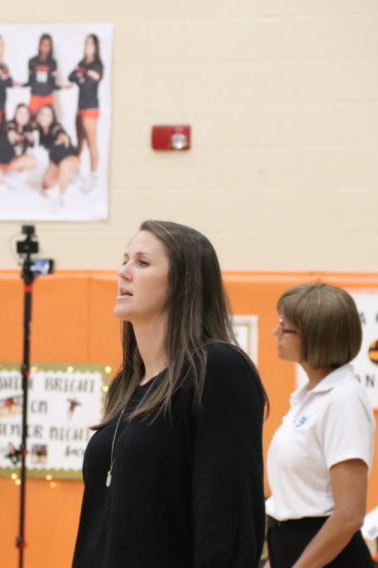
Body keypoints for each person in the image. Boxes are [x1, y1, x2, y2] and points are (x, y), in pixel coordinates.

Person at [72, 220, 267, 568]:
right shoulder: (127, 383)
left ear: (183, 285)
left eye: (142, 263)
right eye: (125, 260)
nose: (124, 272)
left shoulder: (218, 370)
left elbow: (228, 521)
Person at [266, 283, 375, 568]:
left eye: (284, 328)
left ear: (315, 337)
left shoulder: (344, 399)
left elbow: (349, 515)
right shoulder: (309, 399)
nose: (275, 333)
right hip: (292, 546)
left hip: (327, 556)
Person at [68, 34, 105, 192]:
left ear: (96, 47)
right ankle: (77, 171)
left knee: (91, 144)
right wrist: (80, 77)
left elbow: (87, 85)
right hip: (80, 107)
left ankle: (93, 176)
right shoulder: (82, 63)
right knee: (79, 142)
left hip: (90, 108)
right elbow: (71, 77)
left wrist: (80, 77)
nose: (87, 46)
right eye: (86, 43)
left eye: (91, 43)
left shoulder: (97, 65)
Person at [36, 104, 80, 212]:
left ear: (52, 117)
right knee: (46, 185)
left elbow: (60, 132)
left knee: (65, 166)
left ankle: (61, 197)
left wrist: (63, 137)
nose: (45, 117)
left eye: (48, 115)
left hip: (70, 157)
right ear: (39, 116)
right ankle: (66, 176)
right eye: (42, 114)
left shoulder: (56, 127)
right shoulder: (40, 130)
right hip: (55, 160)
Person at [0, 103, 37, 186]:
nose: (22, 116)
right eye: (20, 113)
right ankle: (0, 175)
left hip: (11, 164)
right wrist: (14, 134)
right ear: (15, 115)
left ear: (28, 116)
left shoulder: (28, 131)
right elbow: (10, 129)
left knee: (33, 160)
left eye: (25, 113)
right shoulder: (9, 125)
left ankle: (10, 175)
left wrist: (31, 139)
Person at [26, 33, 69, 116]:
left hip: (48, 97)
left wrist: (61, 87)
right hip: (35, 97)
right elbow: (30, 81)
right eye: (43, 44)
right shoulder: (32, 61)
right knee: (32, 121)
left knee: (48, 122)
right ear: (39, 45)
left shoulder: (53, 63)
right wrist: (22, 84)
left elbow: (52, 83)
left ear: (50, 47)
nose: (45, 47)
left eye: (48, 45)